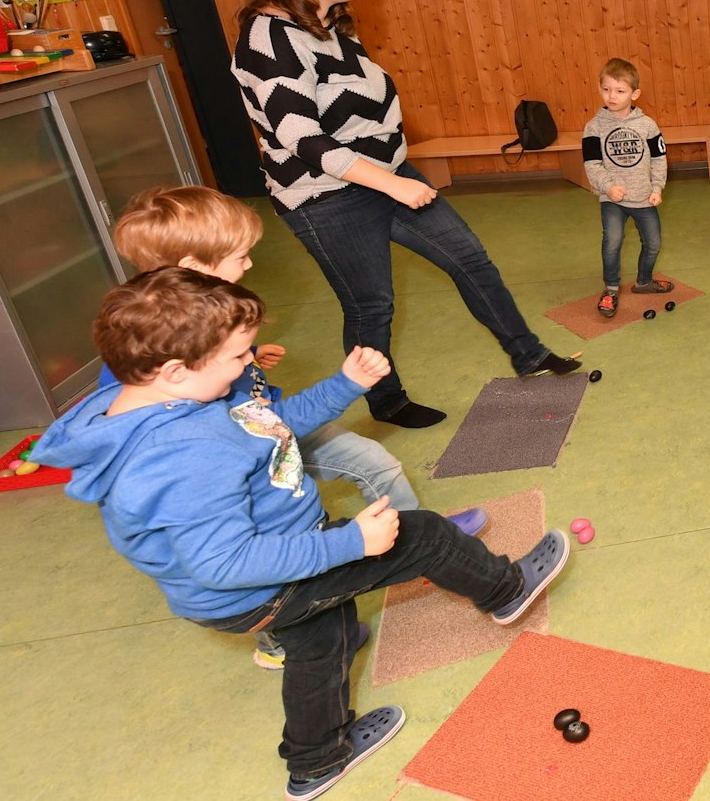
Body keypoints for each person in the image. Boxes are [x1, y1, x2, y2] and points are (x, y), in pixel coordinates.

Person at [30, 269, 570, 800]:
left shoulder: (163, 404)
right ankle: (506, 590)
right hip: (258, 583)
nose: (249, 364)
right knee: (423, 534)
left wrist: (346, 385)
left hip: (254, 581)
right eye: (237, 357)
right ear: (174, 369)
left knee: (320, 636)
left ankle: (316, 763)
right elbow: (224, 562)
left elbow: (272, 424)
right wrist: (351, 544)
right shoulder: (183, 453)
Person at [105, 184, 490, 669]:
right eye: (240, 255)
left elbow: (219, 379)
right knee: (273, 540)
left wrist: (248, 364)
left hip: (271, 426)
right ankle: (278, 636)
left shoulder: (209, 307)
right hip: (246, 449)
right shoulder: (154, 351)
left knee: (372, 462)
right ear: (194, 264)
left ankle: (418, 539)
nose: (248, 265)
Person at [230, 0, 578, 431]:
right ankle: (387, 402)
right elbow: (299, 137)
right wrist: (392, 182)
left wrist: (394, 169)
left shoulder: (329, 30)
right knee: (371, 305)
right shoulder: (269, 36)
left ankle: (527, 356)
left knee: (471, 260)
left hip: (387, 174)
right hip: (327, 198)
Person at [582, 56, 670, 317]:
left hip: (644, 197)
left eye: (620, 91)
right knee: (613, 242)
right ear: (600, 89)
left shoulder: (647, 125)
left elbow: (659, 158)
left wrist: (657, 188)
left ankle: (644, 281)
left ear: (635, 93)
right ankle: (610, 289)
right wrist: (608, 187)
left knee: (653, 243)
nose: (612, 96)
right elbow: (592, 164)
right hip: (613, 200)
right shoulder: (593, 128)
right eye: (607, 89)